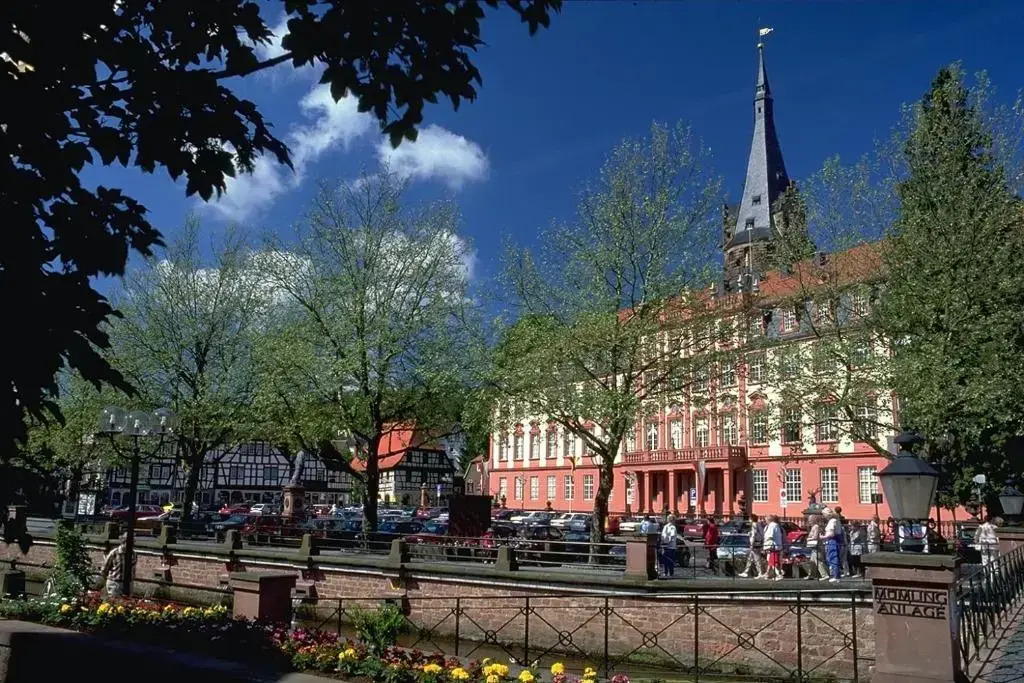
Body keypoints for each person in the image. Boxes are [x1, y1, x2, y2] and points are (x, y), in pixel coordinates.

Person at [804, 515, 829, 581]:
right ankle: (811, 575)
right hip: (814, 547)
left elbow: (815, 537)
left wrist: (808, 539)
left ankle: (825, 575)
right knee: (812, 561)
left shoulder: (816, 527)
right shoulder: (814, 527)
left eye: (810, 520)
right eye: (809, 520)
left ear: (814, 520)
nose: (809, 521)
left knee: (818, 560)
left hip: (817, 546)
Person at [822, 508, 842, 582]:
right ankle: (837, 576)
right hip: (837, 540)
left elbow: (831, 534)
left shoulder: (832, 521)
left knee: (833, 557)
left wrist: (822, 537)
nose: (823, 516)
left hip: (833, 540)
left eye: (824, 514)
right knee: (835, 557)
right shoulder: (836, 520)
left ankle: (836, 576)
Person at [762, 514, 783, 581]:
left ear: (768, 520)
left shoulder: (772, 526)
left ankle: (779, 575)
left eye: (766, 520)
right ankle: (768, 574)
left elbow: (769, 536)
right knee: (772, 561)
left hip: (773, 546)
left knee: (773, 562)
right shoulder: (776, 525)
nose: (765, 521)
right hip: (776, 546)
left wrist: (765, 545)